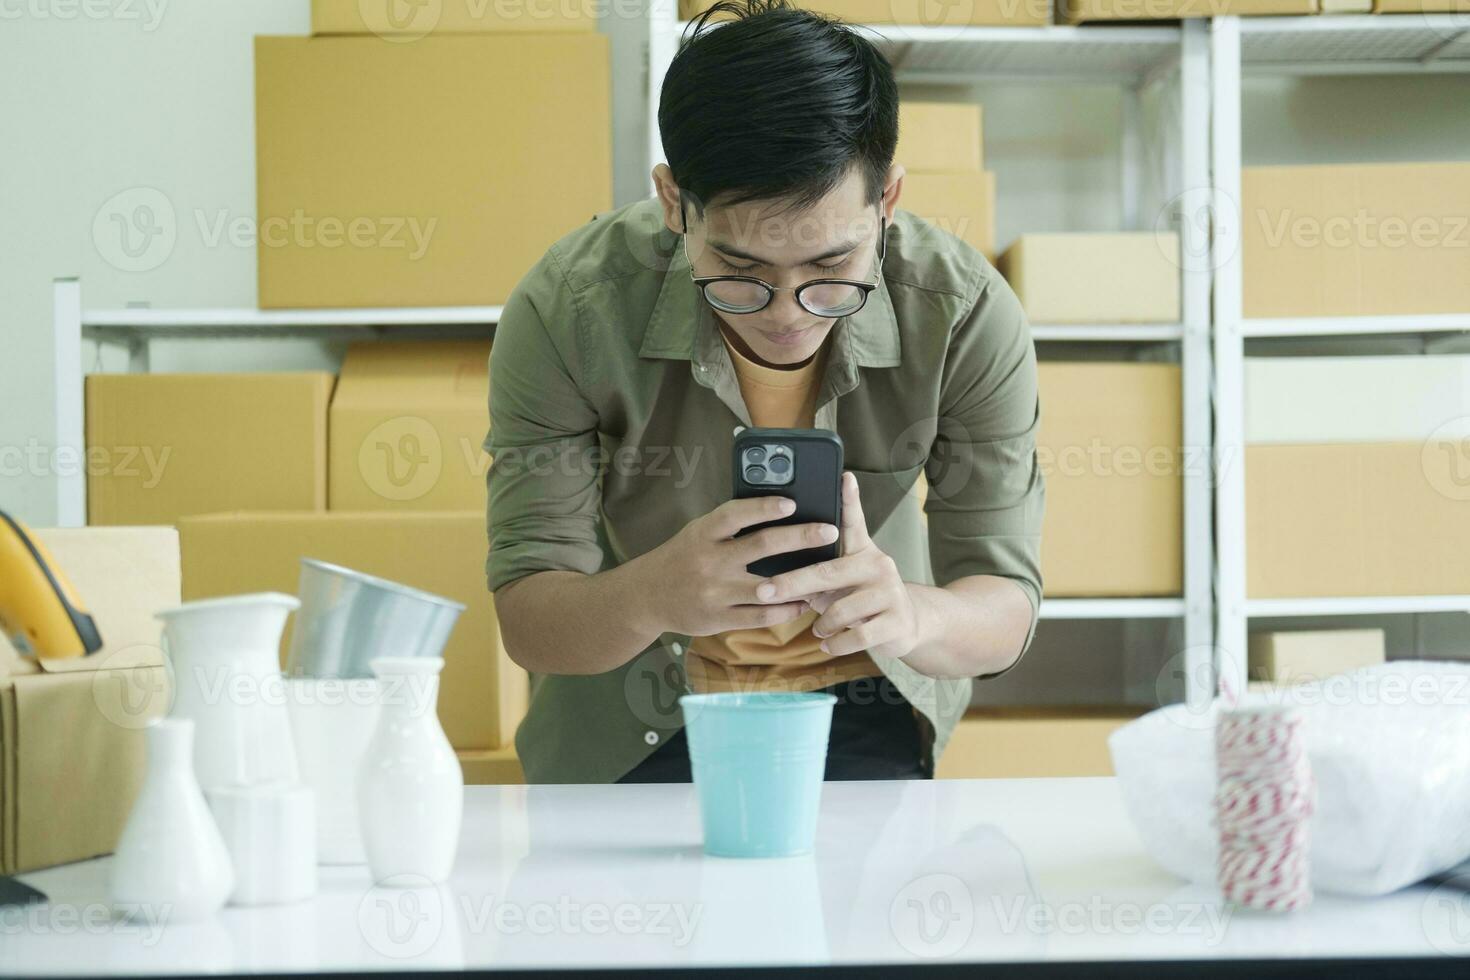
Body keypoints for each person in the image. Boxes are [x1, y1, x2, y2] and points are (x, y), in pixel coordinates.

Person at [484, 0, 1044, 784]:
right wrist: (651, 596)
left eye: (830, 272)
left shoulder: (963, 312)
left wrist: (912, 612)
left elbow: (1006, 603)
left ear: (886, 201)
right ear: (675, 202)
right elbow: (530, 621)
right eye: (741, 274)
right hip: (630, 719)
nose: (787, 316)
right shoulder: (569, 307)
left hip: (865, 706)